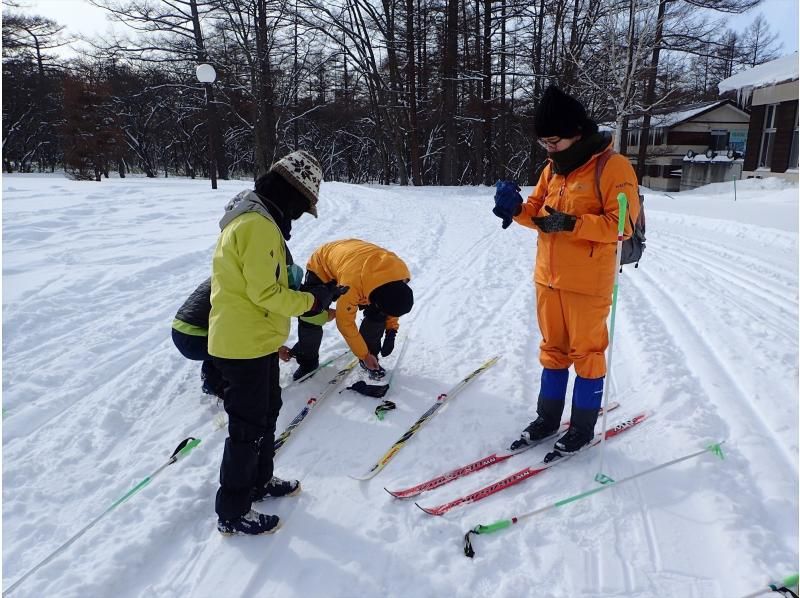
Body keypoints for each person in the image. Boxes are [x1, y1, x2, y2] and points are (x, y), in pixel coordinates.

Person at [492, 85, 640, 455]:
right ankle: (547, 418)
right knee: (552, 351)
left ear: (577, 132)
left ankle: (582, 427)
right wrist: (514, 208)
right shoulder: (552, 170)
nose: (548, 148)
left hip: (588, 283)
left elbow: (621, 227)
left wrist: (572, 223)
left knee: (586, 354)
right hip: (548, 278)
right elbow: (539, 215)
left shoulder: (613, 167)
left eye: (553, 141)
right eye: (543, 142)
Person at [209, 150, 343, 535]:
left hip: (258, 341)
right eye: (302, 208)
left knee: (267, 415)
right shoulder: (256, 225)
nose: (299, 218)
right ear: (292, 195)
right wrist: (311, 301)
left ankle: (260, 481)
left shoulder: (259, 220)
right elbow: (265, 292)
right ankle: (232, 512)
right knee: (247, 428)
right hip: (242, 345)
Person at [288, 239, 413, 382]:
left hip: (358, 263)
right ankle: (308, 361)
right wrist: (363, 355)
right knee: (311, 315)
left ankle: (371, 355)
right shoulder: (352, 285)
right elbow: (345, 323)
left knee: (378, 315)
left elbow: (393, 302)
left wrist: (391, 330)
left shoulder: (400, 274)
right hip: (324, 264)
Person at [171, 278, 226, 399]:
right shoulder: (234, 280)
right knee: (233, 350)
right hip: (193, 338)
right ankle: (215, 386)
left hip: (178, 330)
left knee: (219, 344)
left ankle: (208, 375)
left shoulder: (221, 271)